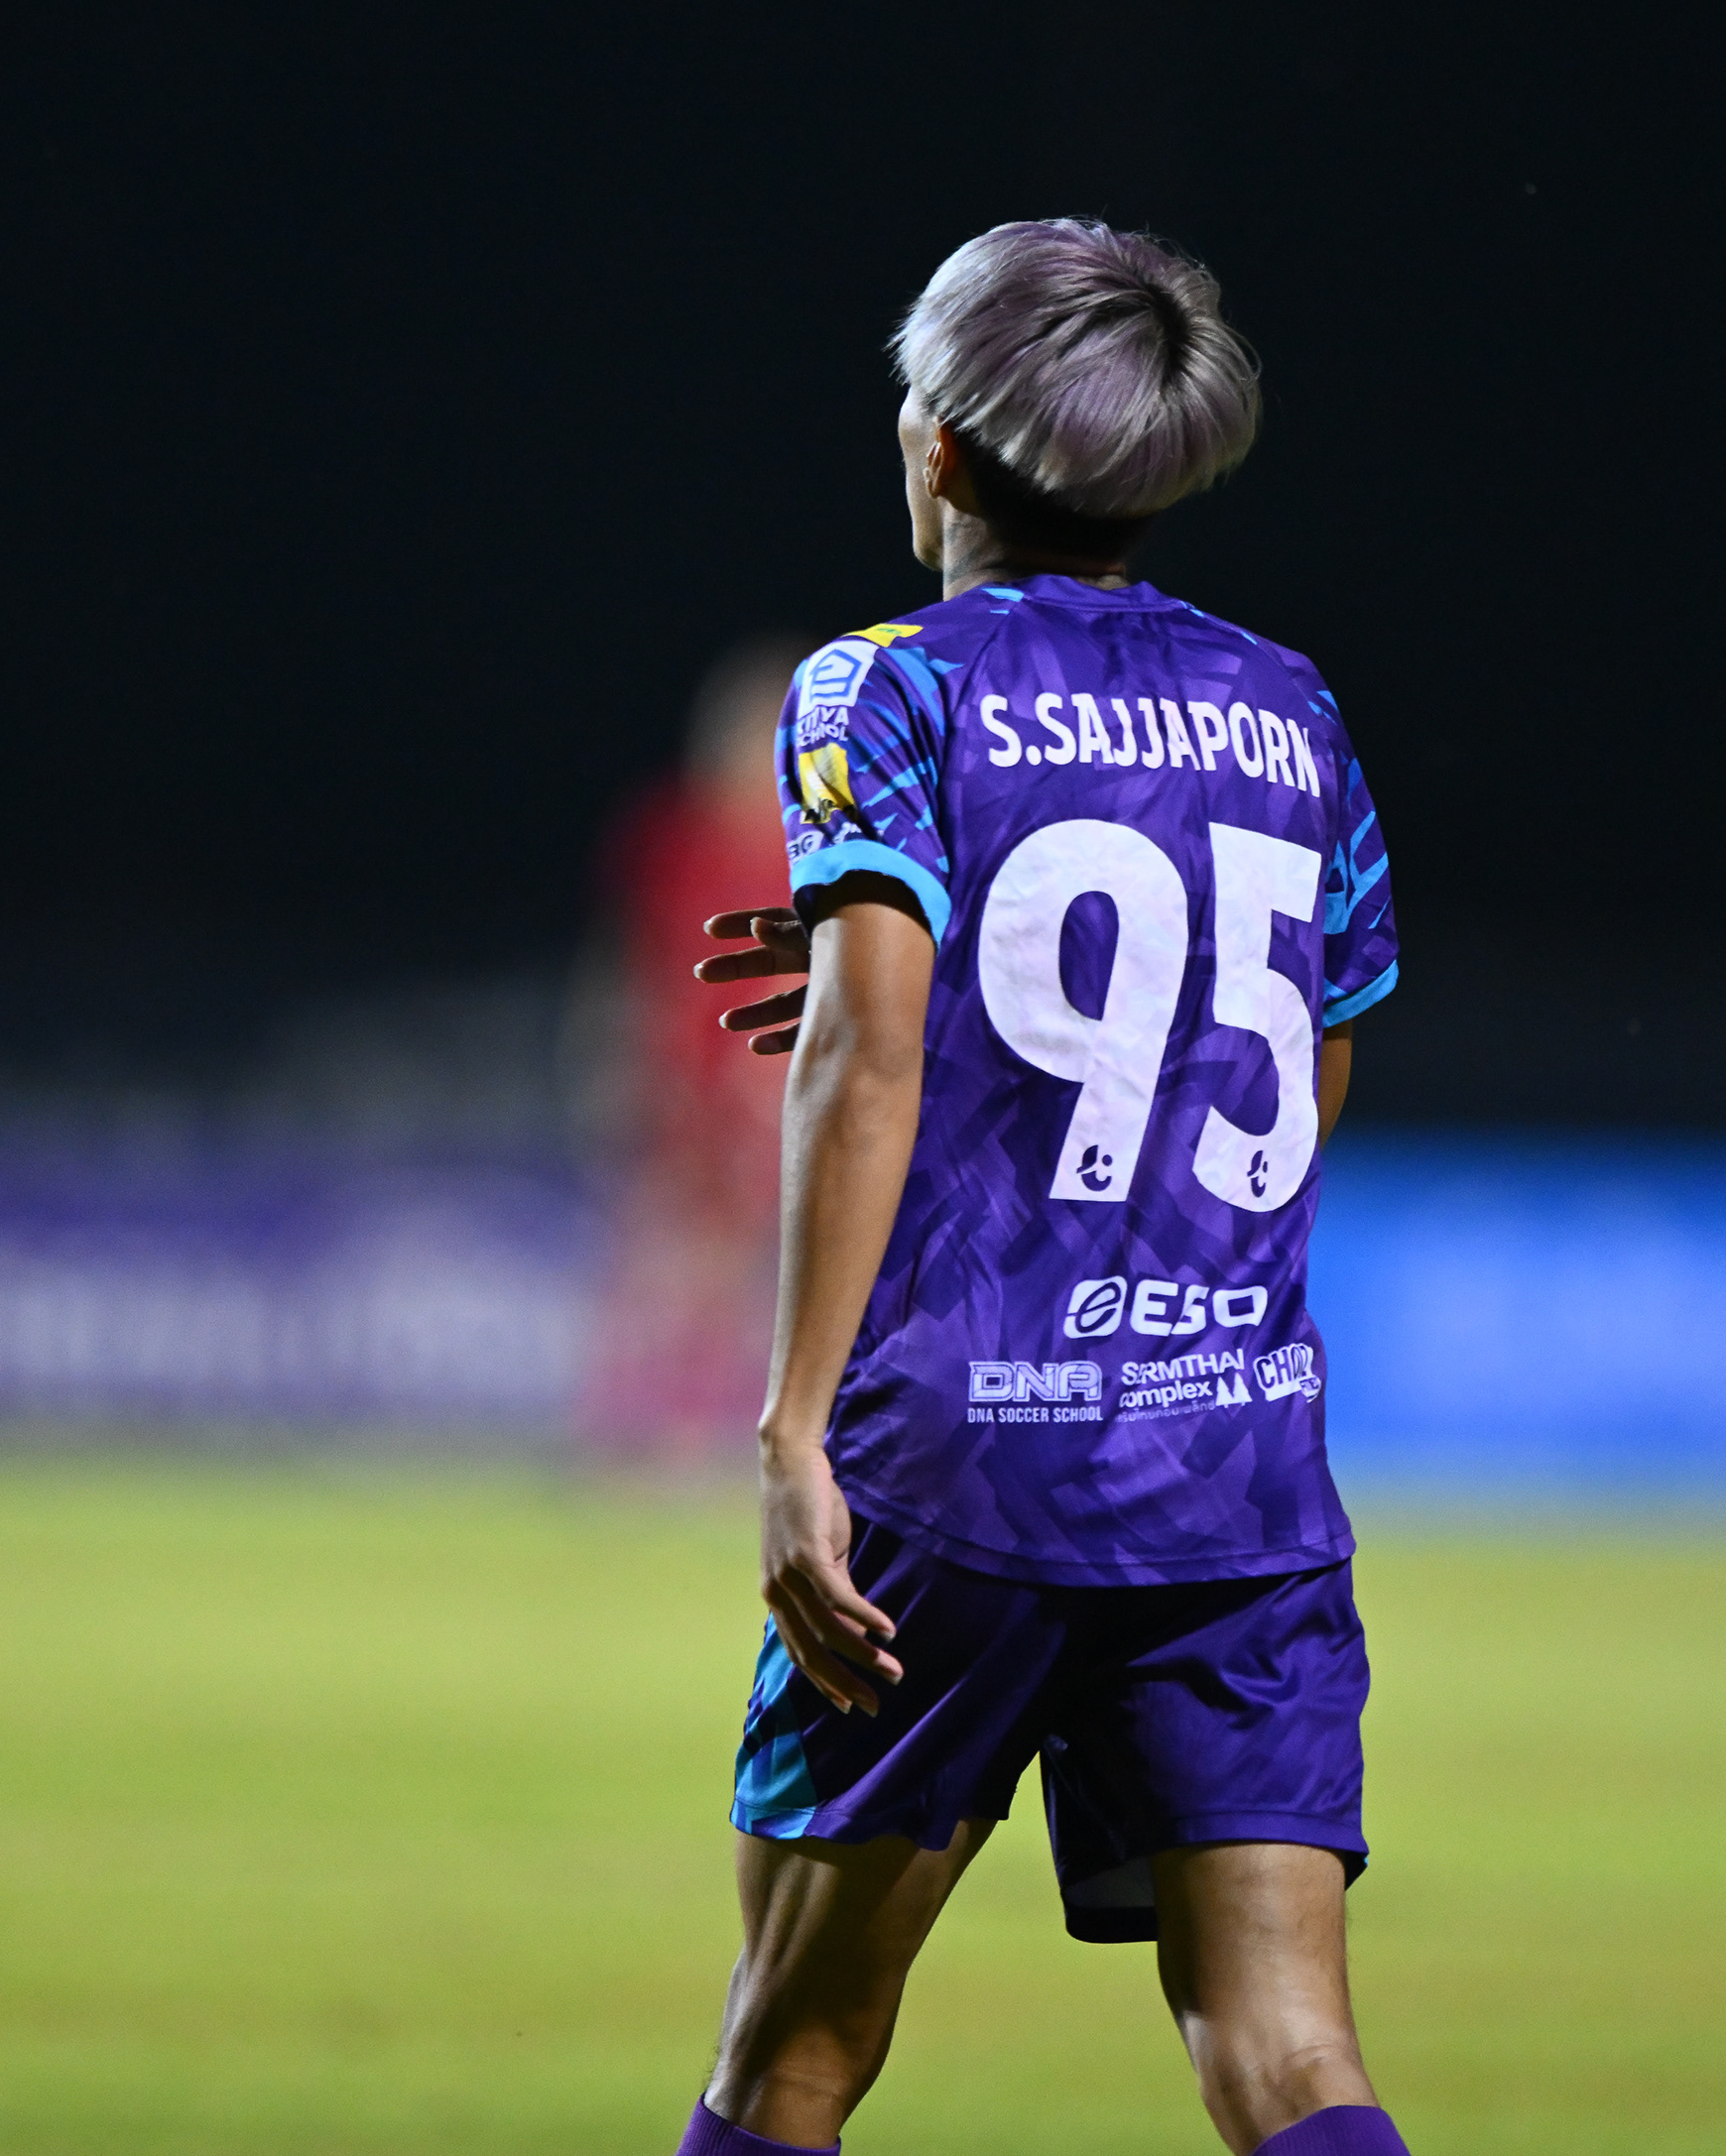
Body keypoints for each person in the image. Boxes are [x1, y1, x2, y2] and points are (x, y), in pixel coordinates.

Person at [669, 222, 1407, 2156]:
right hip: (1233, 1465)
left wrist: (793, 1430)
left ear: (940, 446)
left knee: (794, 2049)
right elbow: (1310, 1056)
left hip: (964, 1467)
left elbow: (865, 1061)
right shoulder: (1291, 709)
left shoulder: (882, 688)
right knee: (1288, 2052)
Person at [575, 636, 810, 1464]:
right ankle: (626, 1425)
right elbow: (633, 957)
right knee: (659, 1255)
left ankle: (720, 1431)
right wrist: (613, 1055)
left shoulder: (816, 841)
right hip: (679, 1079)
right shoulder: (669, 830)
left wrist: (775, 1072)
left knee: (753, 1267)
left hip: (769, 1082)